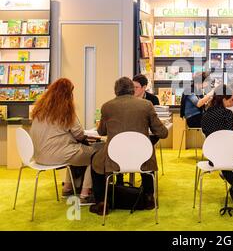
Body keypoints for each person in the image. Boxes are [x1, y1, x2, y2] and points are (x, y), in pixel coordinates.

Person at [89, 77, 168, 214]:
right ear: (132, 89)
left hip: (114, 155)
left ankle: (102, 202)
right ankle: (149, 197)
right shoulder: (147, 105)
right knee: (147, 154)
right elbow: (162, 133)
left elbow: (101, 131)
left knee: (96, 162)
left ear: (116, 91)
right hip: (140, 155)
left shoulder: (107, 106)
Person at [30, 78, 98, 203]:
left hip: (38, 157)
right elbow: (79, 134)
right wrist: (85, 138)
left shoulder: (39, 110)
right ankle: (85, 194)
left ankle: (68, 188)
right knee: (96, 155)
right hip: (57, 155)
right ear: (67, 94)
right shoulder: (66, 111)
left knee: (73, 152)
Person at [201, 84, 233, 185]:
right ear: (224, 99)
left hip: (212, 156)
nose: (231, 102)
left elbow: (216, 134)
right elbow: (229, 138)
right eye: (230, 99)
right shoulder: (227, 113)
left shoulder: (205, 114)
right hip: (227, 156)